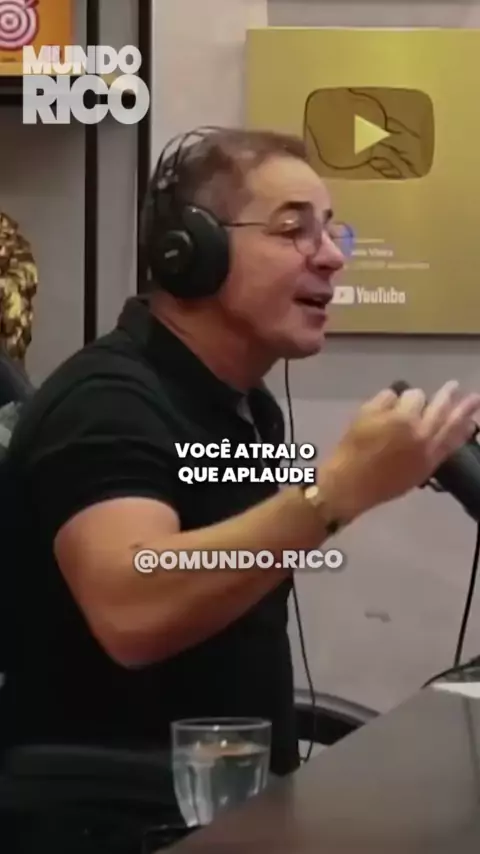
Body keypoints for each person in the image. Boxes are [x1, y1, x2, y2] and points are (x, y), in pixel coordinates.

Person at [1, 127, 479, 778]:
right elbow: (131, 610)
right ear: (190, 252)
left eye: (331, 231)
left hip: (237, 804)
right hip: (114, 815)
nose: (331, 258)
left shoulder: (248, 407)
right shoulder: (105, 404)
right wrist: (341, 490)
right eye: (293, 230)